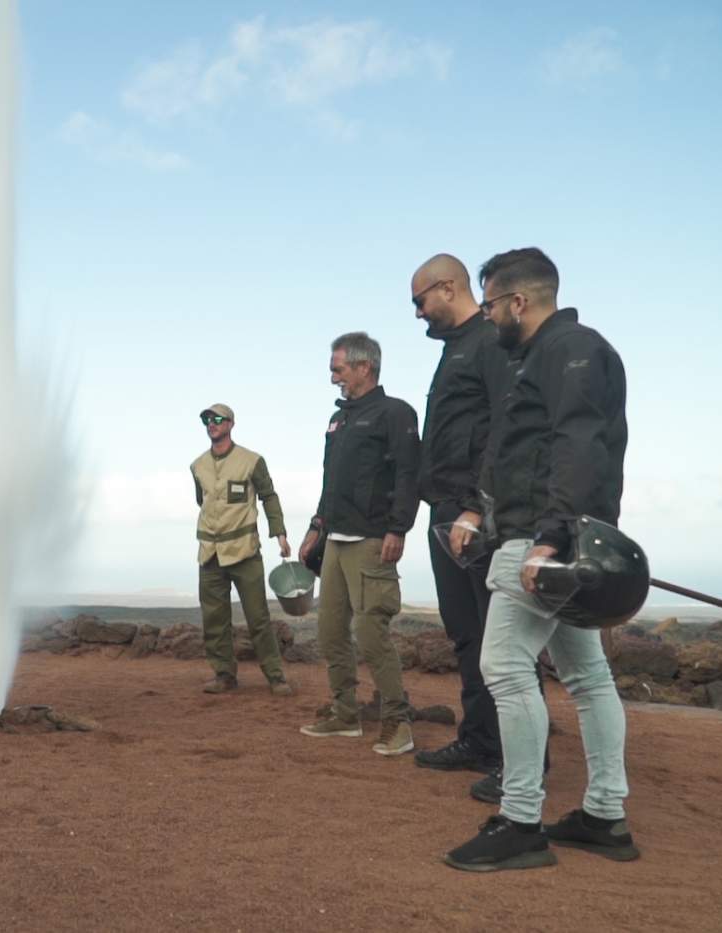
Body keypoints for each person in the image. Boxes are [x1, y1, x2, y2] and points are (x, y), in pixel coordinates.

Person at [444, 248, 638, 872]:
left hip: (545, 539)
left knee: (501, 663)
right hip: (547, 532)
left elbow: (579, 444)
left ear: (518, 302)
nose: (491, 314)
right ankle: (605, 816)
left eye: (494, 303)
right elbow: (521, 449)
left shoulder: (570, 350)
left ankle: (521, 820)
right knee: (587, 677)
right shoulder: (542, 357)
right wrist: (478, 508)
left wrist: (550, 539)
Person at [409, 254, 511, 785]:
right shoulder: (456, 350)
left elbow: (504, 428)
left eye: (419, 301)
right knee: (467, 636)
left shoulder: (491, 342)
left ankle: (517, 761)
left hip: (477, 517)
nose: (418, 313)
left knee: (500, 640)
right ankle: (479, 741)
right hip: (445, 512)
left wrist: (477, 505)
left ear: (447, 288)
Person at [298, 333, 420, 756]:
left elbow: (408, 475)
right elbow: (331, 482)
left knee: (371, 635)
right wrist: (316, 526)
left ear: (364, 367)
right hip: (335, 539)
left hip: (373, 540)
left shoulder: (395, 413)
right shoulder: (340, 420)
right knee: (330, 632)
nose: (334, 378)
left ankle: (397, 722)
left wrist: (398, 529)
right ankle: (345, 715)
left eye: (338, 369)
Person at [191, 403, 296, 697]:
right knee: (214, 619)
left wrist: (280, 534)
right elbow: (204, 501)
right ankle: (224, 675)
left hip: (245, 553)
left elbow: (269, 496)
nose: (211, 423)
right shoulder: (197, 466)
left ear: (231, 424)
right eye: (207, 420)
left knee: (258, 618)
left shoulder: (251, 461)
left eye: (217, 419)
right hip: (209, 554)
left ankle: (276, 677)